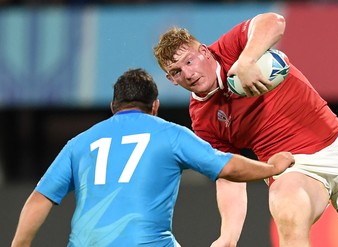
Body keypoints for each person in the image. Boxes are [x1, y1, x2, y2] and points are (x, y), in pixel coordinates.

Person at [153, 12, 338, 247]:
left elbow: (275, 21)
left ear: (204, 52)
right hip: (293, 167)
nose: (188, 73)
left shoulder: (231, 48)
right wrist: (228, 235)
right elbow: (230, 176)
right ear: (171, 80)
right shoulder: (202, 120)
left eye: (189, 61)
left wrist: (247, 59)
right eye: (176, 72)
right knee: (289, 212)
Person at [11, 68, 294, 247]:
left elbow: (40, 198)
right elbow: (228, 166)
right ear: (155, 106)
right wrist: (271, 166)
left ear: (113, 106)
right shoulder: (170, 134)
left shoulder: (80, 142)